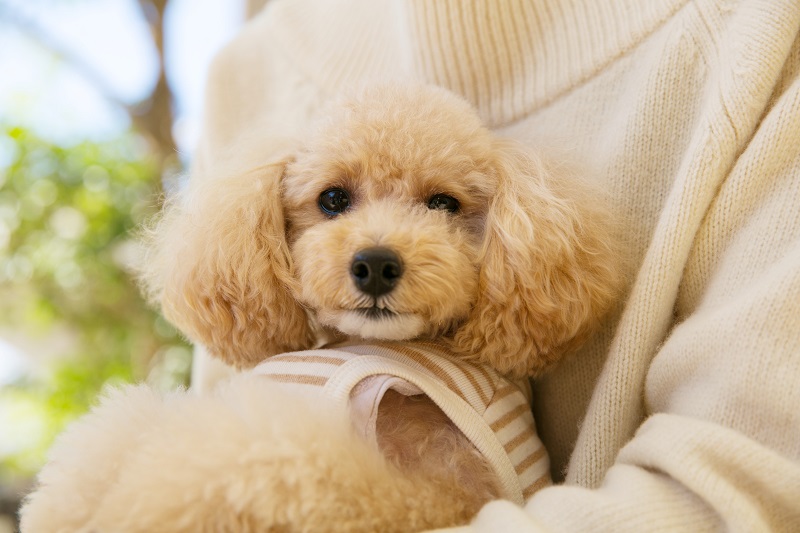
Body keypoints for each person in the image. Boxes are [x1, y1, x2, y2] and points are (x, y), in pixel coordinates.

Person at [189, 0, 800, 530]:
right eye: (333, 201)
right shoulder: (244, 69)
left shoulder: (760, 36)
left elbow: (748, 492)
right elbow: (215, 415)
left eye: (443, 204)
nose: (377, 251)